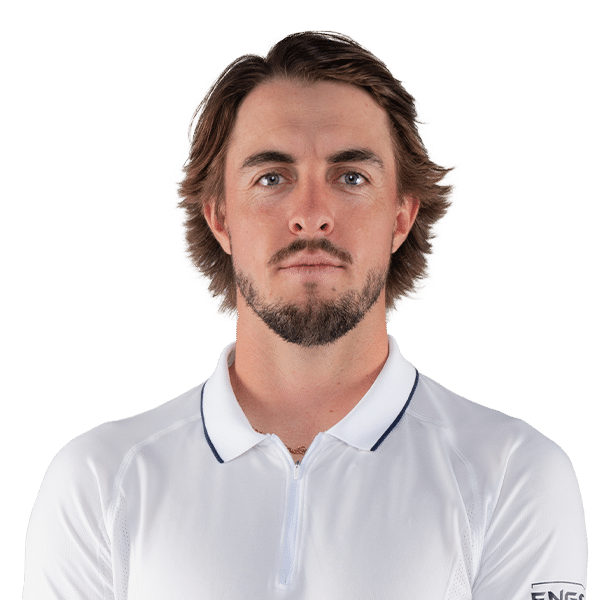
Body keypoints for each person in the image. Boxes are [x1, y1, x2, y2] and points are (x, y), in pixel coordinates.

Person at [23, 30, 587, 599]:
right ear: (220, 218)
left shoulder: (513, 472)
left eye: (351, 177)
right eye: (272, 178)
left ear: (401, 216)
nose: (312, 215)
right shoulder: (99, 479)